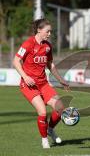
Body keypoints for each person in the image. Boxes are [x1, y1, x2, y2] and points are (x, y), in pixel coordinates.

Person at [12, 18, 70, 149]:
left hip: (43, 84)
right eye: (47, 31)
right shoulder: (28, 44)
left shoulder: (47, 46)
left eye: (50, 31)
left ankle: (50, 130)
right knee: (43, 112)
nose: (49, 34)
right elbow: (16, 61)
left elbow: (50, 64)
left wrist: (61, 80)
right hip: (29, 85)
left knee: (60, 107)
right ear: (39, 30)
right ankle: (44, 140)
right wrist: (25, 77)